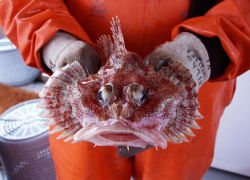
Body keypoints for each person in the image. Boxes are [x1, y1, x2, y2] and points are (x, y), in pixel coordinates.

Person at [0, 0, 249, 179]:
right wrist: (55, 43)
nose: (121, 116)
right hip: (82, 82)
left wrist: (202, 51)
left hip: (186, 85)